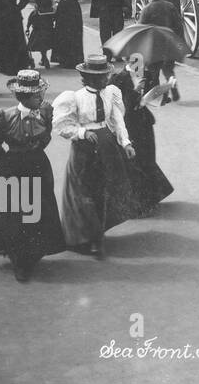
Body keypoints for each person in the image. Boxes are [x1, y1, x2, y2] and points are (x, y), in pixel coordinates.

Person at [0, 70, 68, 282]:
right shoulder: (2, 117)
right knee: (15, 215)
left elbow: (45, 137)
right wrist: (8, 160)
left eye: (41, 94)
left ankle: (33, 252)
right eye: (36, 96)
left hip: (39, 166)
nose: (41, 98)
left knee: (39, 210)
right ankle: (19, 260)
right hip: (12, 170)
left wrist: (34, 150)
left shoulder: (45, 111)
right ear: (23, 97)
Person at [53, 54, 139, 258]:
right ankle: (88, 237)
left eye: (105, 75)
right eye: (99, 77)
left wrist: (125, 142)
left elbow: (117, 120)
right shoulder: (74, 98)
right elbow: (63, 126)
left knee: (103, 190)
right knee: (83, 193)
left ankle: (97, 234)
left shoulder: (111, 93)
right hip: (84, 148)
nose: (105, 79)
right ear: (87, 78)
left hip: (106, 146)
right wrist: (82, 132)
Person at [109, 59, 174, 215]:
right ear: (127, 60)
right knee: (135, 163)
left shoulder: (147, 75)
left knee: (148, 158)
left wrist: (162, 94)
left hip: (144, 124)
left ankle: (151, 198)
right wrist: (136, 94)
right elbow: (118, 105)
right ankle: (139, 204)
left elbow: (155, 98)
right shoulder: (118, 79)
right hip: (129, 125)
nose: (140, 65)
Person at [138, 0, 183, 103]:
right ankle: (174, 89)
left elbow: (141, 29)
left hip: (154, 47)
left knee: (154, 73)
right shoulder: (170, 6)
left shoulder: (146, 9)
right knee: (168, 70)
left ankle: (160, 98)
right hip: (169, 44)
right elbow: (179, 25)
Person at [48, 0, 86, 69]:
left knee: (62, 31)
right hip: (74, 5)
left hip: (63, 6)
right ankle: (77, 58)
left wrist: (60, 1)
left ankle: (63, 59)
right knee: (76, 30)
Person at [25, 0, 55, 69]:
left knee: (30, 47)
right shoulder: (51, 11)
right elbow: (54, 19)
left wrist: (27, 28)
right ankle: (44, 58)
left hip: (38, 32)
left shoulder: (35, 12)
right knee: (44, 46)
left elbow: (30, 21)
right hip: (49, 31)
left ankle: (33, 60)